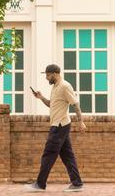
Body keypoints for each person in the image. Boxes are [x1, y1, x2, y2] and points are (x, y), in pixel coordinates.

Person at [24, 63, 86, 193]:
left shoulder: (65, 86)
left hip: (59, 126)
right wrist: (40, 97)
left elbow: (76, 104)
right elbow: (51, 105)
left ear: (55, 74)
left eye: (47, 75)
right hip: (59, 125)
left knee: (48, 154)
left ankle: (40, 184)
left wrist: (81, 122)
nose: (46, 78)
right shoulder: (56, 87)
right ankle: (77, 183)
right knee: (67, 156)